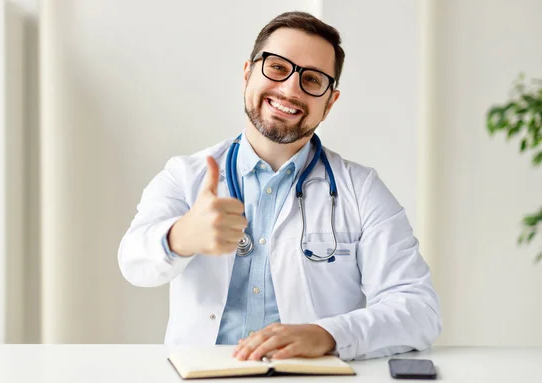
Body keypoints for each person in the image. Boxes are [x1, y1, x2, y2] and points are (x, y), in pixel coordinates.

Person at [118, 11, 441, 361]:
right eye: (277, 68)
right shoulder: (186, 176)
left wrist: (328, 334)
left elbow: (419, 310)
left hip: (309, 376)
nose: (290, 89)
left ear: (329, 102)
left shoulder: (360, 190)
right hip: (203, 374)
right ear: (247, 73)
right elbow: (132, 263)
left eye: (313, 79)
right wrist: (180, 236)